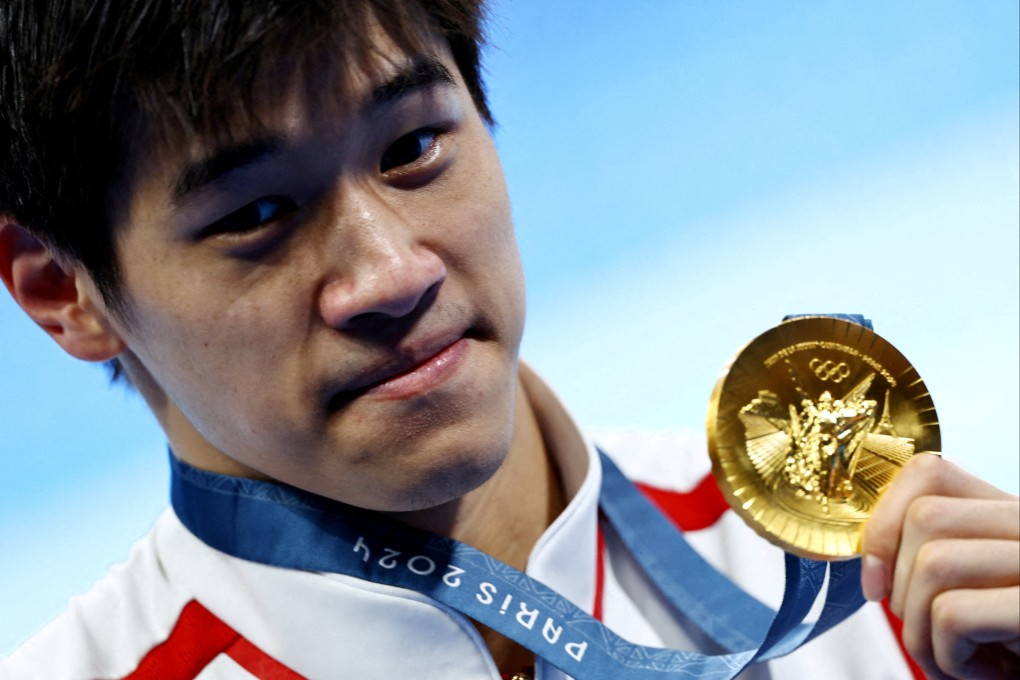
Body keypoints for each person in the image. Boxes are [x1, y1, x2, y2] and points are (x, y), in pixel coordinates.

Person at [1, 1, 1017, 678]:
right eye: (258, 212)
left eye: (411, 148)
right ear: (62, 292)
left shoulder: (870, 575)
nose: (392, 274)